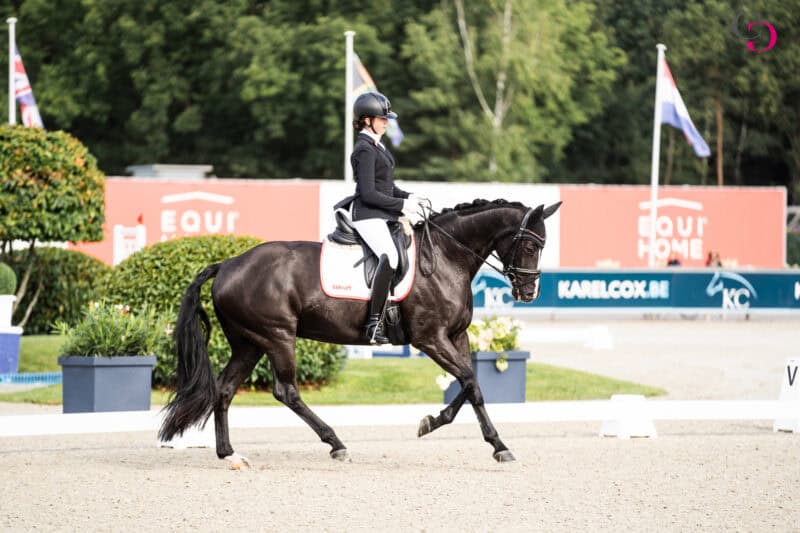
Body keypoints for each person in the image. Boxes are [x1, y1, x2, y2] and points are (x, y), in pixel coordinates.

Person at [335, 92, 426, 344]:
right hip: (367, 215)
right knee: (391, 256)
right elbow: (368, 193)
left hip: (381, 214)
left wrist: (411, 197)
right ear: (366, 120)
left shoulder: (377, 146)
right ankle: (374, 323)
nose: (386, 123)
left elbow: (387, 187)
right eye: (381, 119)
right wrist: (401, 205)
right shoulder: (364, 149)